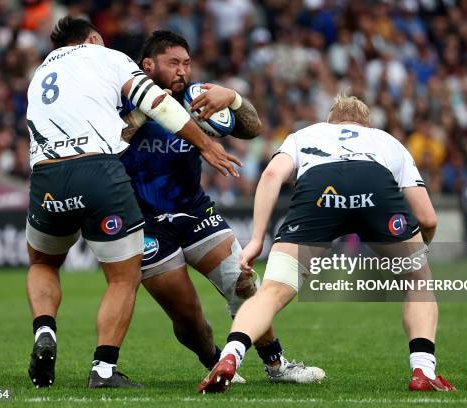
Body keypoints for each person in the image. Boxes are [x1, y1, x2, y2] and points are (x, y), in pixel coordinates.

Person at [25, 17, 240, 389]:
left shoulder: (41, 73)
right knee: (123, 278)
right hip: (98, 170)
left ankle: (45, 330)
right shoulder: (107, 57)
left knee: (43, 261)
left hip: (46, 175)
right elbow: (159, 102)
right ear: (93, 38)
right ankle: (103, 369)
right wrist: (206, 145)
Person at [199, 95, 456, 393]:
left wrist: (257, 239)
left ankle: (231, 355)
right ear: (366, 122)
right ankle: (423, 371)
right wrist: (418, 251)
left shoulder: (306, 134)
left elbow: (271, 175)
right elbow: (428, 218)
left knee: (271, 292)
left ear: (331, 119)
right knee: (418, 284)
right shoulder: (387, 141)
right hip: (374, 187)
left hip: (319, 190)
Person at [119, 31, 325, 383]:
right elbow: (108, 143)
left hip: (195, 212)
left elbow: (253, 128)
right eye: (173, 63)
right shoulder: (121, 99)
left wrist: (233, 97)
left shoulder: (199, 97)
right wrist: (142, 115)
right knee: (188, 318)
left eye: (186, 63)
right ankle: (213, 358)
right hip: (145, 223)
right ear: (148, 65)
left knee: (243, 283)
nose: (183, 71)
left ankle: (277, 365)